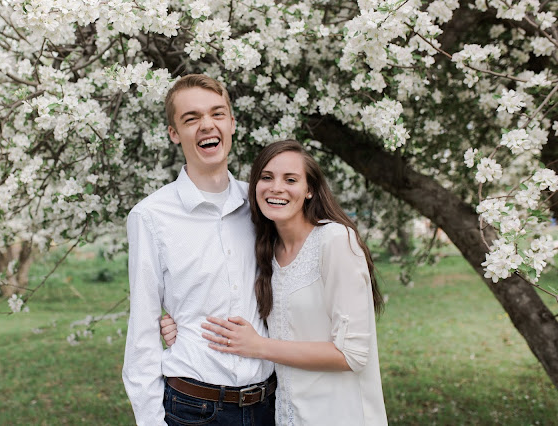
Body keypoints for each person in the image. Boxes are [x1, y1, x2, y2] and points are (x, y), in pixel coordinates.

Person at [163, 140, 388, 425]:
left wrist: (259, 346)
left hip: (337, 413)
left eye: (290, 179)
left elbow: (352, 354)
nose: (276, 188)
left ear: (309, 190)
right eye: (267, 177)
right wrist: (187, 326)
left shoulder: (335, 240)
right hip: (285, 413)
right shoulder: (267, 251)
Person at [122, 74, 276, 426]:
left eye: (217, 113)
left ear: (232, 123)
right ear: (174, 133)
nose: (207, 125)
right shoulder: (151, 216)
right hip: (194, 409)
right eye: (191, 118)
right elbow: (143, 330)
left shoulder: (263, 204)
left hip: (270, 403)